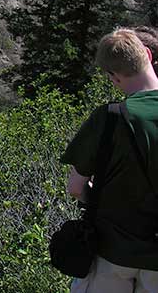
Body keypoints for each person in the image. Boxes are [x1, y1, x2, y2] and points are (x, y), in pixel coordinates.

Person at [63, 28, 158, 291]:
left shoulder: (109, 118)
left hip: (111, 254)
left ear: (113, 77)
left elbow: (75, 187)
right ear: (148, 55)